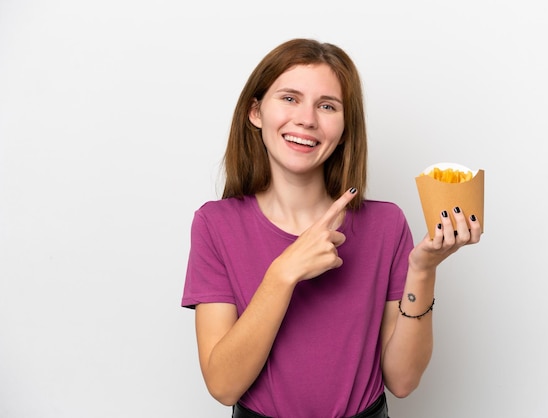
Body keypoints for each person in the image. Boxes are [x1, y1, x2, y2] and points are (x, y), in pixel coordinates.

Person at [181, 38, 481, 418]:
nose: (307, 119)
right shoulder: (215, 225)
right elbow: (224, 387)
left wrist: (423, 270)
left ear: (343, 127)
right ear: (255, 112)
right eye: (289, 98)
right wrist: (283, 273)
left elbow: (403, 381)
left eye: (327, 106)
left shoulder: (385, 225)